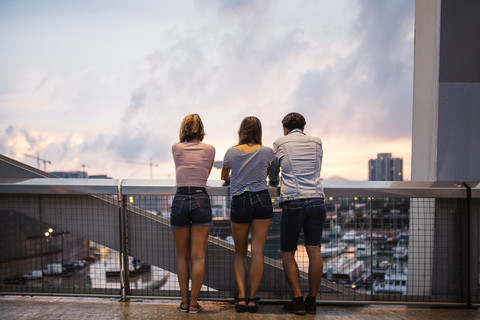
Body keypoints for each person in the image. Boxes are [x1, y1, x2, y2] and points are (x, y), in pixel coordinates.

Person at [268, 112, 327, 315]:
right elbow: (317, 168)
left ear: (285, 128)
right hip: (317, 200)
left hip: (293, 202)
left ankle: (297, 300)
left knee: (287, 253)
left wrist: (275, 182)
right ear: (303, 126)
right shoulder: (317, 142)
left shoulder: (280, 142)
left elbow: (274, 171)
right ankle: (312, 301)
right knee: (314, 251)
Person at [221, 116, 274, 313]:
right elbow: (266, 173)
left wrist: (235, 176)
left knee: (240, 253)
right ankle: (253, 299)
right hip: (261, 198)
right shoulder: (267, 151)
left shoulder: (231, 152)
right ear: (259, 131)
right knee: (258, 252)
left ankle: (241, 299)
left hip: (240, 200)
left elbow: (224, 176)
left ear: (241, 131)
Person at [171, 114, 215, 314]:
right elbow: (206, 173)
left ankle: (184, 302)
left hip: (180, 199)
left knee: (182, 256)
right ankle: (194, 304)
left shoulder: (176, 148)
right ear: (201, 128)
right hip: (200, 198)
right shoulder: (210, 149)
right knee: (199, 257)